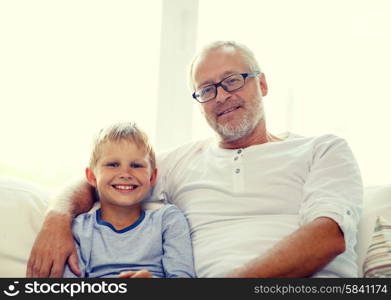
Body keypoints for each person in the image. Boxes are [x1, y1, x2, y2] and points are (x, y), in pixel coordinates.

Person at [27, 41, 362, 278]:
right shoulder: (179, 163)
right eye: (206, 89)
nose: (221, 96)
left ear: (262, 83)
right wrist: (57, 219)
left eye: (232, 80)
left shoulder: (323, 148)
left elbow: (328, 235)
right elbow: (101, 177)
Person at [62, 122, 195, 278]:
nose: (125, 173)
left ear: (152, 177)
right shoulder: (80, 229)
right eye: (113, 164)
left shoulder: (168, 220)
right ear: (91, 176)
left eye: (136, 165)